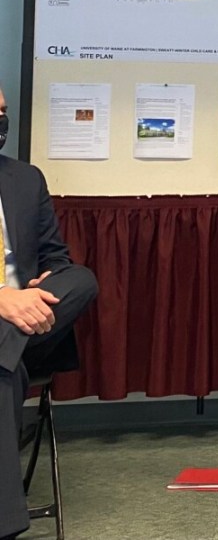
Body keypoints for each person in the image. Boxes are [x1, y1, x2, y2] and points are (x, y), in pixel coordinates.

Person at [0, 87, 98, 540]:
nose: (1, 120)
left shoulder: (25, 179)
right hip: (12, 320)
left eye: (2, 111)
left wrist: (40, 285)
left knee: (81, 279)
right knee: (6, 369)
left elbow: (56, 259)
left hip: (28, 319)